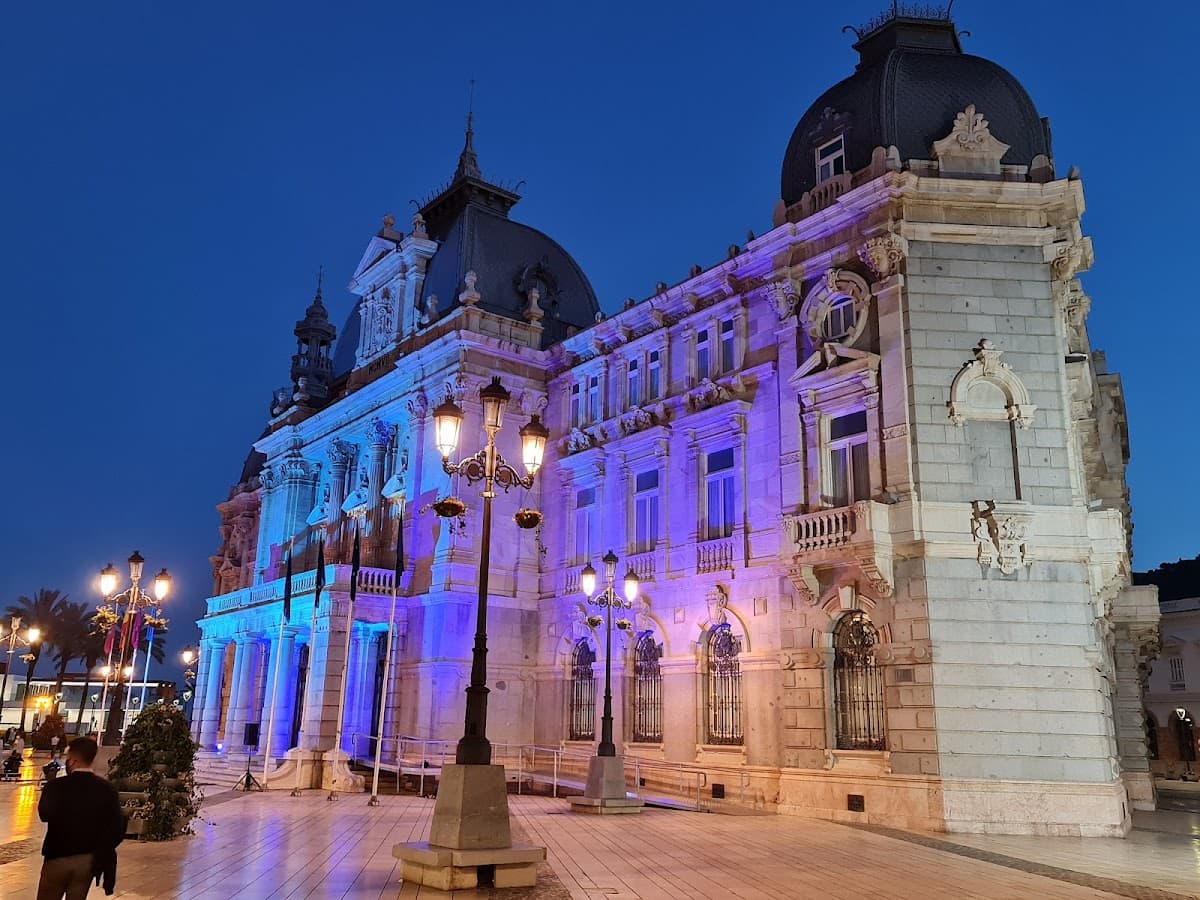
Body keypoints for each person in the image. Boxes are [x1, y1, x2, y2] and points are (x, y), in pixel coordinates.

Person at [37, 737, 125, 900]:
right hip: (87, 860)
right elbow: (117, 828)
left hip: (56, 856)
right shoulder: (107, 789)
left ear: (73, 761)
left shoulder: (56, 786)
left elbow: (44, 814)